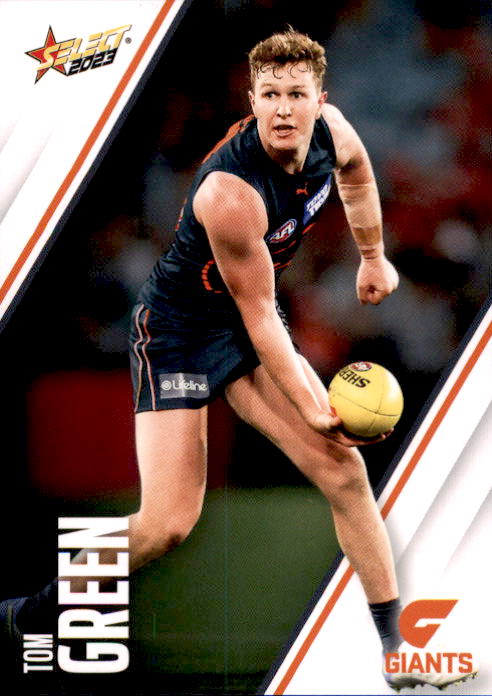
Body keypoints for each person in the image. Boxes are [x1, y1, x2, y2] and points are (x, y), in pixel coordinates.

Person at [1, 28, 476, 691]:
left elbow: (359, 178)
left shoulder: (334, 134)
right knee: (167, 524)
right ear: (252, 101)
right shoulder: (230, 194)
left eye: (297, 94)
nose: (283, 109)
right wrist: (314, 407)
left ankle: (397, 648)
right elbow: (260, 318)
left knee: (345, 473)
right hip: (178, 334)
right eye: (270, 95)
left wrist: (373, 258)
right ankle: (34, 610)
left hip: (244, 323)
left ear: (320, 100)